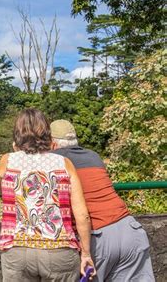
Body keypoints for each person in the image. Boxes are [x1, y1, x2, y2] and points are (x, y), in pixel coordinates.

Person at [0, 109, 96, 282]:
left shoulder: (8, 160)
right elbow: (82, 215)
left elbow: (0, 188)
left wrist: (15, 152)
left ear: (18, 135)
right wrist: (85, 254)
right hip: (60, 251)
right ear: (47, 134)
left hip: (17, 249)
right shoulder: (64, 163)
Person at [50, 119, 155, 282]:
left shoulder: (54, 162)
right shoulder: (94, 156)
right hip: (129, 229)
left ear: (52, 143)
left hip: (98, 238)